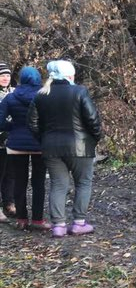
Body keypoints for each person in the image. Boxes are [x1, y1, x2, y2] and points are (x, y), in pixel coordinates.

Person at [27, 60, 103, 237]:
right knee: (83, 183)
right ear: (70, 75)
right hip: (80, 147)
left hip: (51, 148)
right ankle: (78, 223)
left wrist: (44, 139)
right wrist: (94, 139)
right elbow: (93, 120)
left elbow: (32, 123)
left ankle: (59, 226)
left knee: (58, 185)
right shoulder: (79, 91)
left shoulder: (40, 94)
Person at [0, 67, 47, 231]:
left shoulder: (10, 97)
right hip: (40, 144)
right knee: (38, 182)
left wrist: (12, 127)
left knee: (19, 181)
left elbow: (0, 122)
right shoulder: (44, 97)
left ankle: (21, 219)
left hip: (16, 145)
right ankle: (38, 219)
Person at [0, 62, 15, 219]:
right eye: (2, 75)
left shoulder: (14, 92)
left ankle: (9, 203)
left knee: (10, 173)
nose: (5, 78)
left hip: (11, 140)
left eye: (7, 75)